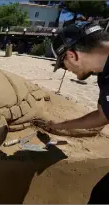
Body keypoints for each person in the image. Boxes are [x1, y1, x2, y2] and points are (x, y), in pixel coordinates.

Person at [50, 22, 109, 204]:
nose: (69, 71)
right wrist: (60, 126)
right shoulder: (103, 74)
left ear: (71, 55)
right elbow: (103, 116)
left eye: (64, 66)